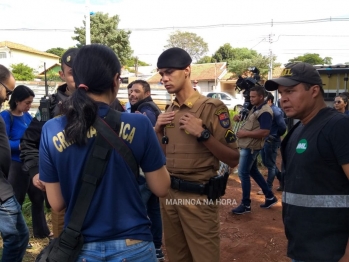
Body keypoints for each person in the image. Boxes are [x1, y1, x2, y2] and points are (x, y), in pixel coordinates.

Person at [39, 44, 170, 261]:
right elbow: (162, 187)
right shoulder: (140, 123)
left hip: (80, 247)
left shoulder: (51, 129)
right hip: (134, 244)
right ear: (116, 79)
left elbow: (57, 203)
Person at [155, 47, 240, 262]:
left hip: (198, 198)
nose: (164, 78)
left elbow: (233, 158)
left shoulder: (212, 108)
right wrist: (157, 131)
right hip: (169, 196)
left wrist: (203, 134)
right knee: (176, 257)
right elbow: (163, 157)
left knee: (205, 257)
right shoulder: (169, 111)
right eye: (161, 74)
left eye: (169, 72)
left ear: (186, 71)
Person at [265, 62, 349, 262]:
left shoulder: (338, 127)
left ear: (314, 91)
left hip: (332, 252)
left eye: (291, 91)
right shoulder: (297, 130)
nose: (283, 99)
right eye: (281, 93)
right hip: (303, 248)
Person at [20, 48, 78, 239]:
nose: (77, 76)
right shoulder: (49, 107)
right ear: (62, 74)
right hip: (60, 191)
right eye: (71, 72)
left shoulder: (105, 102)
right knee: (64, 247)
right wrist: (35, 171)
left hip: (99, 191)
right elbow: (28, 142)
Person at [0, 85, 51, 241]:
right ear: (16, 101)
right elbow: (4, 142)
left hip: (31, 163)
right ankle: (15, 235)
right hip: (16, 165)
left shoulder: (27, 116)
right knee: (18, 199)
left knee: (38, 197)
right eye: (27, 103)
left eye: (31, 103)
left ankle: (41, 231)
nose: (29, 106)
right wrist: (20, 145)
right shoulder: (6, 116)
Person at [128, 79, 164, 261]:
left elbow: (145, 137)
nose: (132, 94)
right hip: (155, 168)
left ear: (147, 93)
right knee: (153, 208)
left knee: (137, 208)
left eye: (136, 91)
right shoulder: (147, 108)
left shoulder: (146, 111)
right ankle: (157, 247)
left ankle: (138, 247)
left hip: (145, 171)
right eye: (130, 92)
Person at [231, 85, 278, 215]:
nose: (250, 99)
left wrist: (245, 134)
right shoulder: (256, 108)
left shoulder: (265, 112)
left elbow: (265, 131)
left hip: (251, 147)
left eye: (253, 96)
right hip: (248, 145)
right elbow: (252, 123)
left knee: (243, 173)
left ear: (261, 97)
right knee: (253, 171)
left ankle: (246, 204)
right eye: (250, 96)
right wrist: (239, 118)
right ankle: (270, 196)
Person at [0, 64, 29, 261]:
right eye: (7, 91)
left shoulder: (26, 116)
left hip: (3, 183)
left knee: (21, 235)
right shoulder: (6, 115)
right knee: (16, 236)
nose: (7, 97)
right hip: (2, 188)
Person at [257, 92, 286, 194]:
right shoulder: (265, 110)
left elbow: (283, 127)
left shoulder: (275, 111)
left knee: (270, 165)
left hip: (272, 141)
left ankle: (268, 188)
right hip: (264, 140)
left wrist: (275, 135)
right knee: (268, 163)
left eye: (264, 100)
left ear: (269, 100)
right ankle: (283, 181)